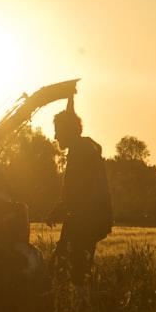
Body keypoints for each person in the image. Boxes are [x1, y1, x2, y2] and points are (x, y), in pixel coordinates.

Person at [48, 99, 113, 286]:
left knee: (68, 269)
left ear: (67, 131)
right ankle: (78, 303)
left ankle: (74, 307)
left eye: (58, 131)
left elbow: (78, 191)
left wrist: (58, 210)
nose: (55, 135)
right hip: (86, 218)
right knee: (74, 268)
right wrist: (70, 99)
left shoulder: (81, 153)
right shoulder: (84, 148)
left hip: (85, 219)